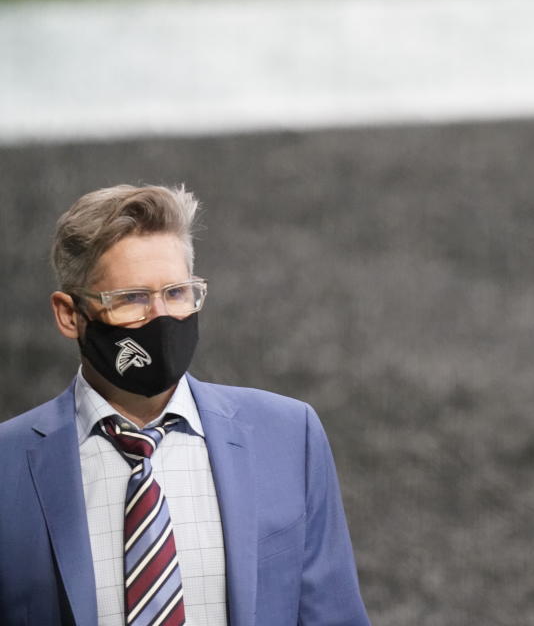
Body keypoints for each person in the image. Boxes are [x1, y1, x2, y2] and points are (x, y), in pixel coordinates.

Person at [0, 185, 370, 625]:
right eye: (132, 299)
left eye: (177, 293)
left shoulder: (290, 436)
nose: (161, 317)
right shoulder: (8, 464)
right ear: (69, 315)